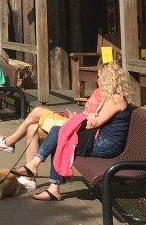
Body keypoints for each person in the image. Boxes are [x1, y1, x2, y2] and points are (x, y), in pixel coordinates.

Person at [12, 62, 135, 201]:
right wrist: (87, 117)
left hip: (108, 145)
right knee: (59, 133)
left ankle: (42, 175)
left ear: (107, 78)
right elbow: (93, 120)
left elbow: (94, 123)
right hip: (98, 138)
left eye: (99, 77)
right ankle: (43, 177)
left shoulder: (116, 99)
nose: (97, 80)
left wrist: (89, 117)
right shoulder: (108, 97)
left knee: (61, 137)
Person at [0, 84, 105, 185]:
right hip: (76, 121)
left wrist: (80, 119)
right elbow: (86, 113)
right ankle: (29, 179)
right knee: (32, 128)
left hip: (79, 128)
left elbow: (95, 120)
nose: (98, 80)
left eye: (100, 77)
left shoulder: (108, 97)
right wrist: (76, 116)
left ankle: (9, 142)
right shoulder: (98, 90)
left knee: (37, 111)